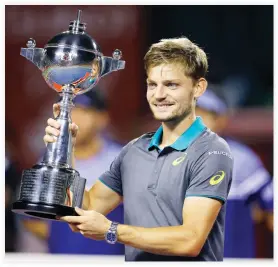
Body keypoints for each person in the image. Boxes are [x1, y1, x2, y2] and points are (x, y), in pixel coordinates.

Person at [44, 37, 234, 261]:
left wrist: (112, 230)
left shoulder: (212, 151)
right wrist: (65, 151)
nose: (159, 94)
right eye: (152, 84)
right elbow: (89, 206)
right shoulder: (134, 150)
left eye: (171, 84)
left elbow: (190, 240)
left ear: (198, 87)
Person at [22, 89, 125, 255]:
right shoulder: (49, 160)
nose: (75, 119)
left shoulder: (122, 159)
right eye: (70, 112)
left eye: (84, 111)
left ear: (102, 118)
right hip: (64, 259)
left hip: (112, 259)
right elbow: (31, 219)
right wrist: (63, 236)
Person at [196, 89, 273, 258]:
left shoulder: (242, 160)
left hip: (233, 257)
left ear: (221, 119)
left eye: (204, 115)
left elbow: (270, 207)